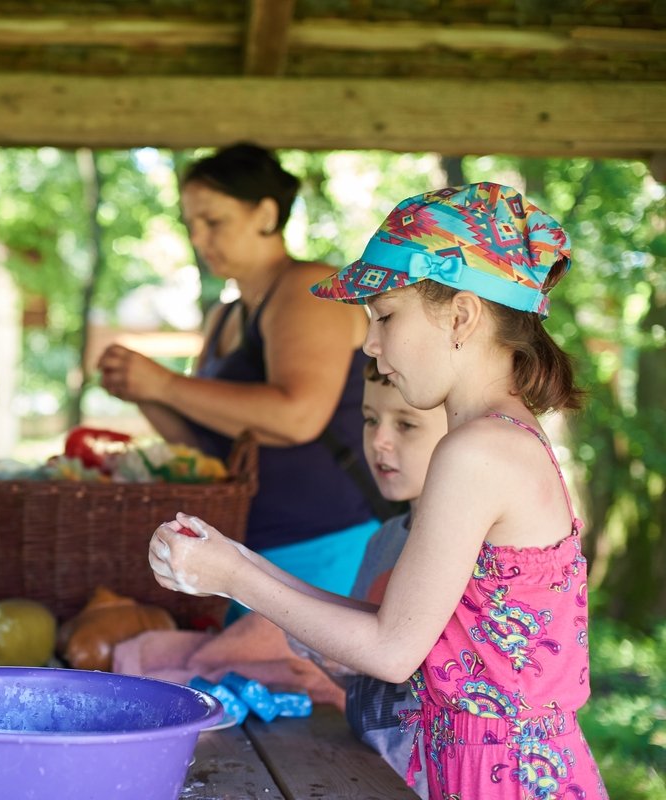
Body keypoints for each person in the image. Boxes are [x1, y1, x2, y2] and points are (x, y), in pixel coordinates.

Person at [150, 183, 607, 798]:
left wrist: (232, 578)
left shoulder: (476, 451)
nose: (370, 345)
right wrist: (237, 562)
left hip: (500, 779)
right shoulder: (497, 440)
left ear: (463, 316)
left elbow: (393, 651)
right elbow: (405, 625)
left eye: (385, 316)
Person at [100, 143, 387, 598]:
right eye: (191, 224)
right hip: (244, 550)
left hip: (328, 543)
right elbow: (205, 450)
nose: (198, 238)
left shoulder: (307, 288)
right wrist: (143, 392)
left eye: (213, 222)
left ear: (265, 215)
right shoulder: (223, 315)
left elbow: (297, 417)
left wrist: (166, 384)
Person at [291, 358, 446, 798]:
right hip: (373, 771)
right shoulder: (383, 540)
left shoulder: (470, 553)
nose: (378, 440)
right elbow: (363, 667)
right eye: (370, 419)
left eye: (407, 426)